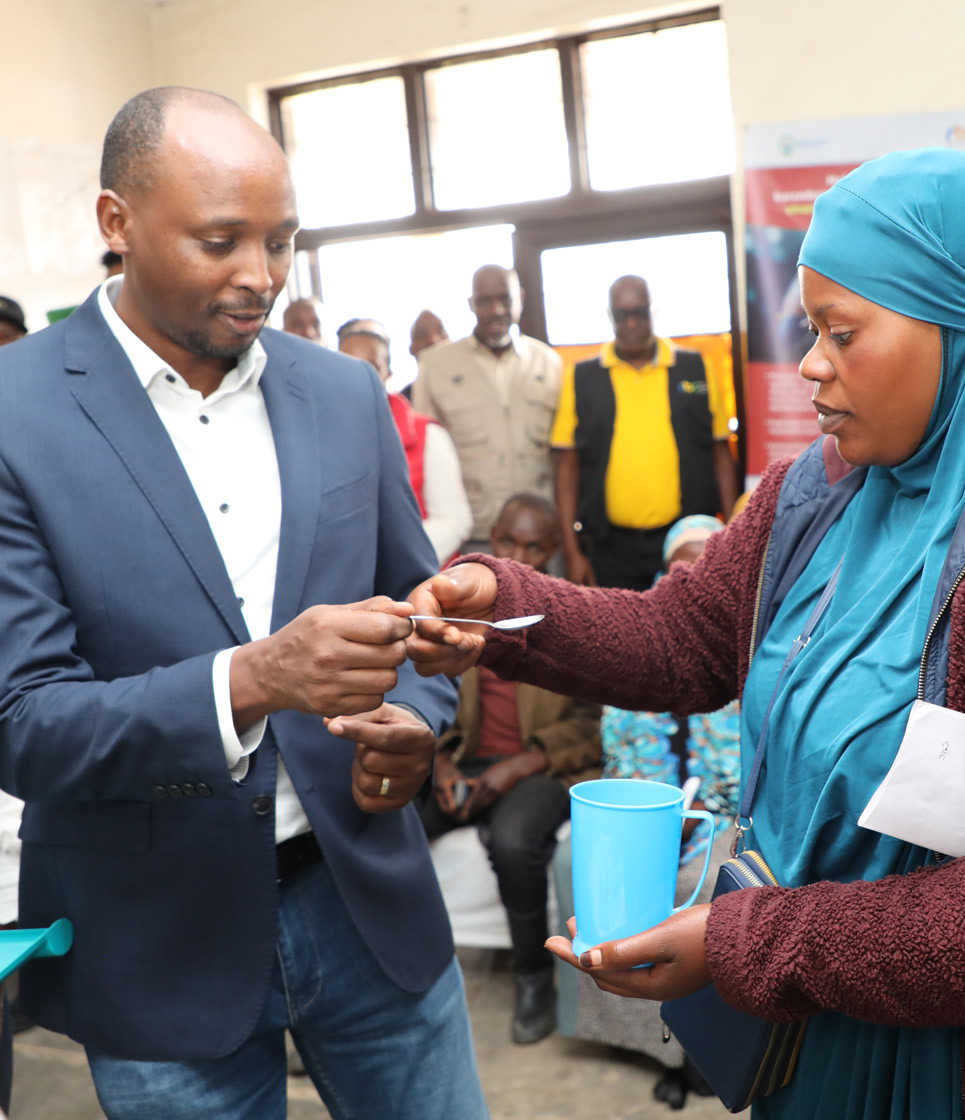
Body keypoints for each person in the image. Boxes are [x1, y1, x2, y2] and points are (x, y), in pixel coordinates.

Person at [401, 148, 965, 1119]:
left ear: (952, 330)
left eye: (840, 332)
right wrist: (501, 604)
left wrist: (751, 942)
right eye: (806, 327)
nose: (809, 364)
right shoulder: (820, 489)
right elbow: (680, 637)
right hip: (811, 1031)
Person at [0, 86, 486, 1120]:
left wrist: (418, 716)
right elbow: (22, 722)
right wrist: (256, 678)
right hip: (155, 937)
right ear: (115, 222)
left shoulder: (345, 395)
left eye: (281, 239)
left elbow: (413, 611)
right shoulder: (15, 416)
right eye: (221, 241)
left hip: (366, 900)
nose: (259, 276)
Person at [551, 515, 736, 1109]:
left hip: (724, 811)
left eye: (706, 561)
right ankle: (649, 1043)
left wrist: (700, 808)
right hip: (649, 808)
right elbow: (623, 755)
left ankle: (700, 1047)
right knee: (570, 862)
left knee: (707, 881)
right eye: (680, 562)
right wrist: (660, 814)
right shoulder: (640, 647)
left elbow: (754, 754)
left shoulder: (751, 643)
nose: (692, 573)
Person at [418, 493, 601, 1045]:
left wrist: (518, 767)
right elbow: (428, 693)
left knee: (515, 838)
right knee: (396, 818)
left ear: (555, 549)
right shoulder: (461, 607)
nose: (519, 554)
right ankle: (400, 972)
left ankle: (531, 978)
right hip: (470, 756)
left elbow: (593, 723)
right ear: (490, 540)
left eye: (535, 545)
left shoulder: (576, 612)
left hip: (544, 766)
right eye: (508, 541)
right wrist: (443, 763)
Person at [551, 275, 738, 590]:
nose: (632, 323)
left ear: (653, 311)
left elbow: (720, 454)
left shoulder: (694, 368)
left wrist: (733, 534)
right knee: (618, 635)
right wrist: (572, 553)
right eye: (623, 315)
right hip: (610, 546)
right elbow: (566, 470)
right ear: (610, 316)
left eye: (640, 312)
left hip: (685, 540)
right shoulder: (582, 377)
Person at [412, 265, 562, 553]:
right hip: (475, 533)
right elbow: (424, 453)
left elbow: (562, 455)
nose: (496, 310)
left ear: (519, 299)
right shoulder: (435, 365)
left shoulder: (548, 362)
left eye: (505, 299)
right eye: (484, 301)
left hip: (539, 536)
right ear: (471, 304)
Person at [338, 318, 471, 564]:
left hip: (417, 578)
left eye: (370, 368)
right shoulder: (320, 435)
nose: (356, 377)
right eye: (345, 366)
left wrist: (390, 555)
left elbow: (454, 521)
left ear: (387, 373)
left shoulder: (426, 435)